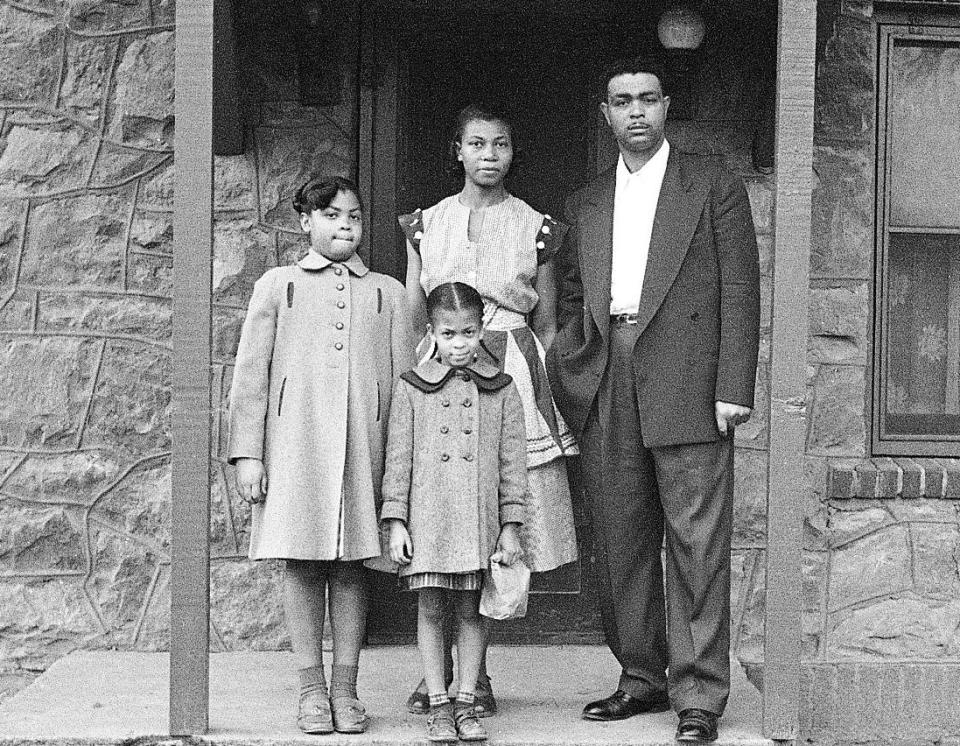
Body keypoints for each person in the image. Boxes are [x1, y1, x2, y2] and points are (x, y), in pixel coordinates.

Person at [546, 57, 760, 743]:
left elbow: (740, 290)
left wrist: (733, 386)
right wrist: (572, 365)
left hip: (692, 379)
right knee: (619, 538)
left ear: (666, 107)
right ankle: (640, 676)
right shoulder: (586, 201)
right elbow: (574, 292)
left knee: (697, 542)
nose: (634, 111)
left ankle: (697, 694)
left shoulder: (712, 185)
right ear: (603, 113)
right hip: (611, 371)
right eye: (620, 101)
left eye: (646, 99)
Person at [398, 105, 578, 715]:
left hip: (510, 370)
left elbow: (548, 323)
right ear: (458, 150)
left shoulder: (536, 226)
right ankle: (438, 674)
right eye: (477, 143)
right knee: (440, 511)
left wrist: (539, 388)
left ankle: (477, 675)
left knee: (494, 518)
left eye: (501, 144)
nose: (489, 155)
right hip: (440, 368)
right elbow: (413, 316)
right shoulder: (427, 224)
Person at [228, 176, 413, 735]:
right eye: (331, 216)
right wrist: (248, 455)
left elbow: (406, 387)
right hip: (294, 449)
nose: (345, 226)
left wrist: (401, 466)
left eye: (354, 216)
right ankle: (310, 688)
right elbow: (250, 376)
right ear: (305, 221)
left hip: (365, 446)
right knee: (302, 561)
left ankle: (345, 689)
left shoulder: (388, 292)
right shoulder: (276, 285)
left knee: (354, 562)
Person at [381, 281, 527, 743]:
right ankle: (439, 703)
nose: (459, 344)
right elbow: (398, 460)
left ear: (481, 328)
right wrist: (397, 520)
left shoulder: (501, 389)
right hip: (428, 522)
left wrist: (510, 526)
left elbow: (512, 464)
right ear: (431, 332)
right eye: (448, 334)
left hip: (476, 522)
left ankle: (468, 700)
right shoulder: (411, 388)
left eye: (468, 332)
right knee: (429, 608)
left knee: (471, 610)